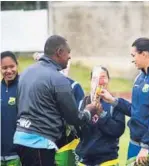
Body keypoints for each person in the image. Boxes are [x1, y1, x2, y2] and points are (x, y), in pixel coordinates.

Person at [13, 35, 99, 166]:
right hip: (39, 143)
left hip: (20, 138)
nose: (70, 57)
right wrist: (88, 111)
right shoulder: (58, 79)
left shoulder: (26, 73)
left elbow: (19, 106)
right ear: (59, 52)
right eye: (68, 53)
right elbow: (74, 119)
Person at [100, 38, 149, 166]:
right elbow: (136, 111)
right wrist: (113, 100)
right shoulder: (139, 79)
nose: (132, 59)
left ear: (144, 54)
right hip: (135, 144)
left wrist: (146, 146)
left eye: (133, 55)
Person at [75, 66, 125, 166]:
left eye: (102, 77)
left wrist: (101, 114)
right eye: (95, 78)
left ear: (108, 80)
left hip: (108, 159)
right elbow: (76, 131)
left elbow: (117, 131)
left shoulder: (115, 104)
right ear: (90, 81)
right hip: (84, 159)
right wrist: (86, 114)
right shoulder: (82, 103)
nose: (99, 82)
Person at [1, 51, 21, 166]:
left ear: (17, 65)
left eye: (12, 66)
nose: (8, 71)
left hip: (17, 154)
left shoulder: (24, 86)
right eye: (4, 68)